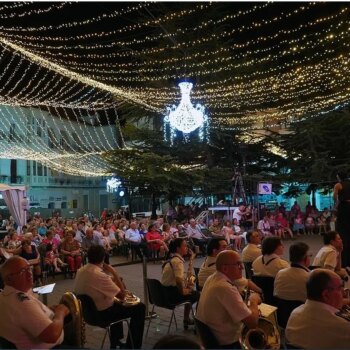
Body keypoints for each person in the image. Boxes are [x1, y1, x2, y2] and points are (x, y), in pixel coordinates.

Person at [74, 245, 146, 348]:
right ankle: (133, 345)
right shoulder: (99, 275)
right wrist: (114, 272)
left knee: (114, 302)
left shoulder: (81, 270)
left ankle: (116, 341)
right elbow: (122, 295)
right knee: (140, 308)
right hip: (101, 315)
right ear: (103, 258)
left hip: (87, 313)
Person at [0, 256, 70, 348]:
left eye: (29, 268)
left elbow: (24, 317)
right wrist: (60, 312)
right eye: (22, 271)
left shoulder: (5, 295)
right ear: (9, 279)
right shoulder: (22, 302)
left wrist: (46, 310)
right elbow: (52, 335)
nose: (29, 273)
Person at [196, 250, 262, 348]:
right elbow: (252, 323)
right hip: (228, 343)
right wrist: (253, 301)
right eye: (238, 264)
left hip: (212, 336)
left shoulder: (212, 278)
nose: (242, 267)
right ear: (225, 268)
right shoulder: (224, 287)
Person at [286, 269, 350, 349]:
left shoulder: (294, 314)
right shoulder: (344, 327)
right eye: (340, 288)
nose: (343, 293)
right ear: (326, 295)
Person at [161, 238, 200, 329]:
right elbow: (178, 280)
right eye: (185, 246)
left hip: (164, 292)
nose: (187, 247)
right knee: (198, 295)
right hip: (172, 294)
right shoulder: (177, 261)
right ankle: (199, 319)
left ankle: (186, 319)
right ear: (178, 249)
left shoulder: (171, 258)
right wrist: (183, 290)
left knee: (191, 294)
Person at [333, 171, 350, 267]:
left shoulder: (338, 185)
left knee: (342, 229)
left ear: (339, 177)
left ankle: (344, 259)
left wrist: (337, 203)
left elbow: (334, 197)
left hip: (344, 207)